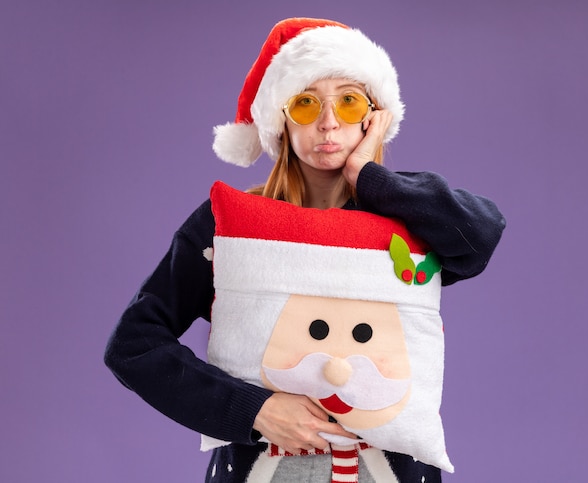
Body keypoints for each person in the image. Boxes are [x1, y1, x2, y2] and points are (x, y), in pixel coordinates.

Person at [105, 17, 506, 482]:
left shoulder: (410, 217)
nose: (329, 122)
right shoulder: (232, 226)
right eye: (306, 103)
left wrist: (369, 177)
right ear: (280, 117)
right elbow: (133, 345)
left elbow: (479, 236)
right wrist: (253, 409)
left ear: (375, 117)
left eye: (350, 103)